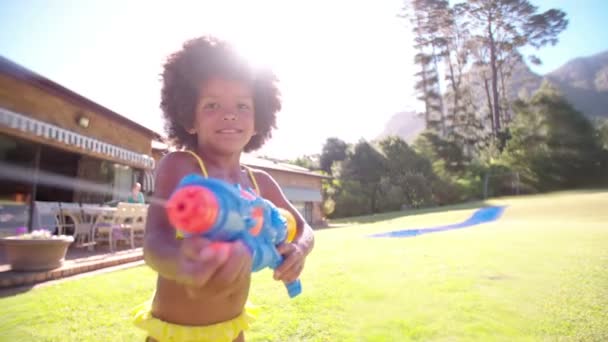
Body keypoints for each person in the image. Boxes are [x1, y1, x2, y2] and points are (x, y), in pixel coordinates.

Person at [134, 36, 315, 342]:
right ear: (190, 118)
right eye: (212, 104)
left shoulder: (260, 182)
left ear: (259, 120)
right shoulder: (182, 167)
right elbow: (153, 243)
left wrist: (299, 249)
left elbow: (304, 227)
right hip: (174, 336)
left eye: (243, 105)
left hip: (233, 333)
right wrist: (182, 264)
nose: (229, 114)